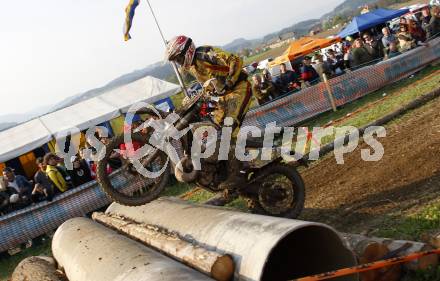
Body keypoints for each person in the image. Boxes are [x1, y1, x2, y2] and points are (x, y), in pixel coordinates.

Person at [165, 35, 253, 189]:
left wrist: (229, 81)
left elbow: (235, 60)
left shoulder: (205, 54)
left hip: (239, 90)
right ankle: (225, 171)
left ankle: (240, 171)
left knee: (228, 129)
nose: (179, 62)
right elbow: (207, 86)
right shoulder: (193, 68)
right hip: (224, 98)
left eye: (178, 58)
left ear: (186, 50)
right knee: (216, 133)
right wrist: (189, 101)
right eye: (176, 60)